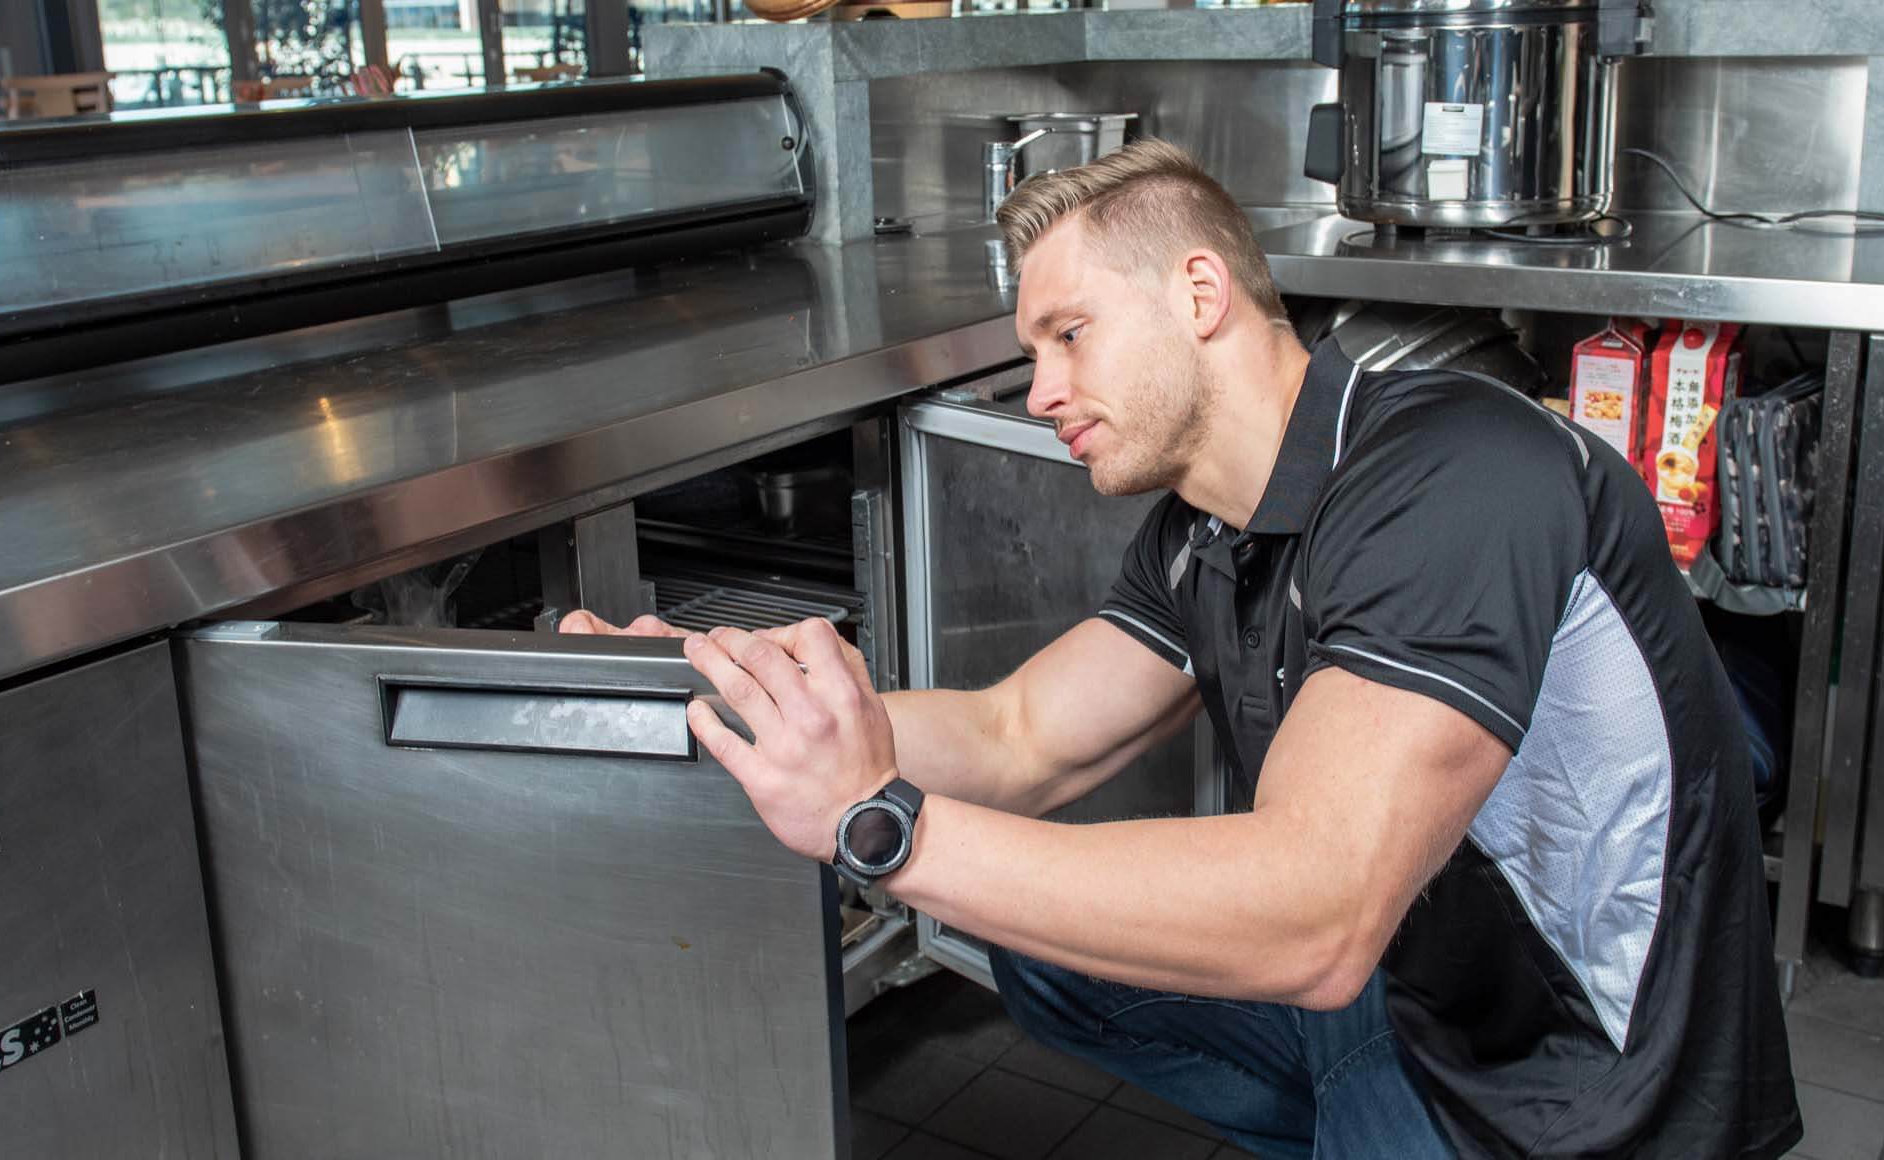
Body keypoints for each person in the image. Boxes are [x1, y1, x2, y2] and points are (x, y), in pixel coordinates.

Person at [562, 138, 1801, 1160]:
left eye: (1067, 334)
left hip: (1584, 1085)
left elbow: (1315, 911)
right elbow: (1021, 736)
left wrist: (881, 826)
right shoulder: (1203, 528)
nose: (1039, 389)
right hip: (1410, 984)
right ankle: (1349, 1127)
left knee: (1179, 914)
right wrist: (731, 685)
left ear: (1198, 296)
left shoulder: (1455, 471)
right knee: (1038, 945)